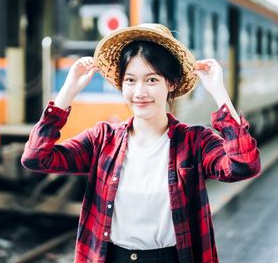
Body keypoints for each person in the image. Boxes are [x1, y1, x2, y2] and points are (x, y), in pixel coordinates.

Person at [22, 23, 261, 263]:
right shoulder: (103, 139)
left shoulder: (194, 141)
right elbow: (35, 157)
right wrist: (68, 90)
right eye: (130, 80)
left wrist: (218, 91)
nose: (139, 92)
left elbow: (244, 165)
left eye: (152, 80)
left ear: (171, 84)